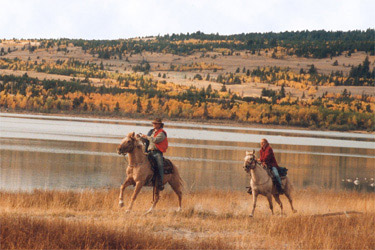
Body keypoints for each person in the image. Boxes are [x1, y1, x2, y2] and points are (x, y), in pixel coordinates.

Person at [142, 118, 168, 191]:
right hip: (150, 152)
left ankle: (160, 183)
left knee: (160, 165)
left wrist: (146, 137)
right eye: (153, 123)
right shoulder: (151, 132)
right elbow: (147, 140)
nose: (154, 124)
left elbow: (155, 140)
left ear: (159, 124)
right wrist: (141, 138)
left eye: (156, 123)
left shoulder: (162, 133)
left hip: (157, 153)